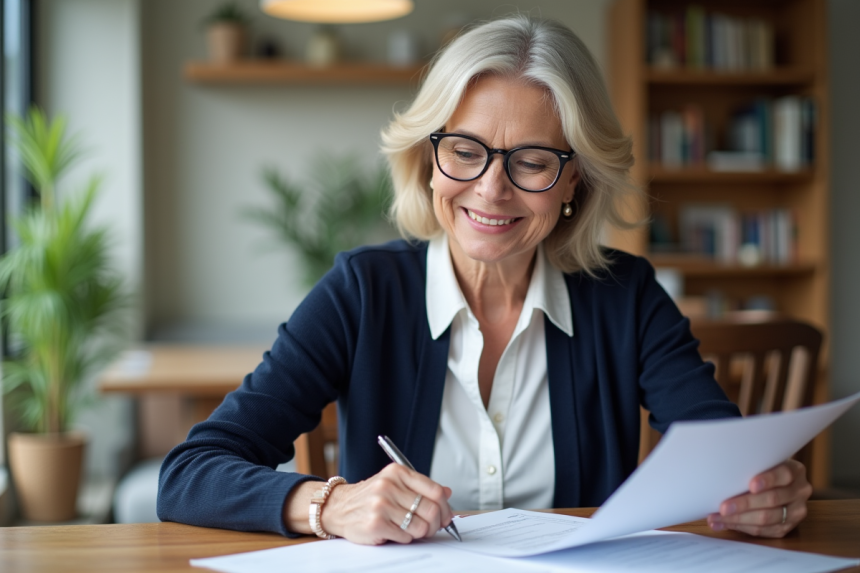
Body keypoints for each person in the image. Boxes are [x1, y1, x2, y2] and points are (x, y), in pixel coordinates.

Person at [157, 16, 811, 545]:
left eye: (531, 161)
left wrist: (763, 493)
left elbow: (724, 460)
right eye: (466, 151)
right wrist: (332, 504)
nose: (491, 189)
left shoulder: (627, 294)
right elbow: (189, 476)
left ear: (573, 181)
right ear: (429, 160)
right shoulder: (363, 291)